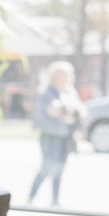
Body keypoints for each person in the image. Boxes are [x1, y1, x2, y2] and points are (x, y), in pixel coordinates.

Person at [27, 60, 85, 206]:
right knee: (46, 168)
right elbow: (51, 111)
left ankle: (55, 201)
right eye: (61, 75)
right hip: (49, 136)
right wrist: (63, 111)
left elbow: (81, 111)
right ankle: (31, 198)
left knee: (59, 169)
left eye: (67, 75)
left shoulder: (70, 92)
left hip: (65, 137)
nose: (65, 79)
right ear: (54, 76)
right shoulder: (47, 93)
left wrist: (71, 113)